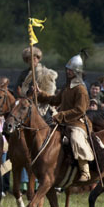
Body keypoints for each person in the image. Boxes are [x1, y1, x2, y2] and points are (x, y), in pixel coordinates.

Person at [36, 53, 95, 182]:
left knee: (76, 138)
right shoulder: (67, 86)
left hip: (76, 123)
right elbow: (56, 100)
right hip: (62, 121)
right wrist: (40, 95)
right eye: (67, 69)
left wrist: (61, 115)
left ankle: (85, 170)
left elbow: (80, 110)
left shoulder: (81, 89)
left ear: (77, 72)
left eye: (71, 70)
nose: (68, 72)